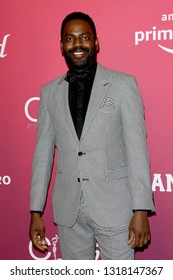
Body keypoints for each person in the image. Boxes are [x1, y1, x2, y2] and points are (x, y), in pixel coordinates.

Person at [29, 11, 155, 260]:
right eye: (70, 38)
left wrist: (140, 209)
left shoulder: (123, 85)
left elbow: (137, 151)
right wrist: (35, 211)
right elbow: (42, 156)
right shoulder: (49, 93)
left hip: (115, 208)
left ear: (96, 42)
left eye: (84, 37)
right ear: (62, 46)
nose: (77, 44)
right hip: (69, 213)